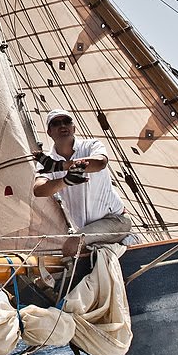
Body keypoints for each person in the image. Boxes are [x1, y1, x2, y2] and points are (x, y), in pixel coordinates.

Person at [32, 109, 132, 262]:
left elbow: (100, 163)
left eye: (67, 121)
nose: (62, 125)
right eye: (56, 123)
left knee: (71, 247)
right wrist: (65, 181)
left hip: (116, 220)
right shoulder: (48, 162)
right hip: (90, 232)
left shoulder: (91, 145)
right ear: (49, 132)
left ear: (74, 128)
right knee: (74, 254)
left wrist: (60, 166)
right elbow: (39, 189)